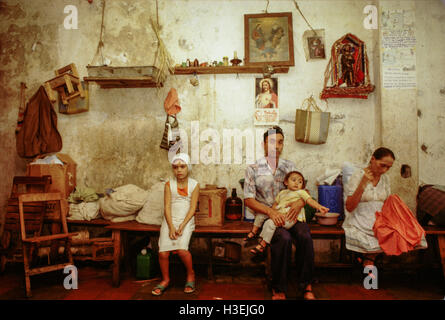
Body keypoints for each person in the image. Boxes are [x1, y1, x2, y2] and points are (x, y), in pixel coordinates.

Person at [243, 126, 316, 300]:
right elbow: (248, 199)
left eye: (281, 142)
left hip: (292, 215)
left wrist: (299, 202)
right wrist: (270, 211)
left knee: (305, 235)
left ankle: (306, 284)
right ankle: (279, 287)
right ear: (264, 144)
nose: (277, 146)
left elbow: (301, 190)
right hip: (269, 217)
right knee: (283, 238)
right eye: (273, 142)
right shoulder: (253, 168)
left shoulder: (289, 166)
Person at [342, 147, 427, 267]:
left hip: (381, 218)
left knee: (407, 232)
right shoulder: (357, 176)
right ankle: (368, 262)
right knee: (377, 237)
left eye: (388, 167)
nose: (385, 170)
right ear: (372, 159)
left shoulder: (385, 179)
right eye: (382, 165)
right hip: (361, 217)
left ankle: (368, 260)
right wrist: (363, 182)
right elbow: (350, 207)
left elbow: (387, 203)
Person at [152, 153, 200, 296]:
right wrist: (171, 227)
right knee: (163, 253)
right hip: (169, 220)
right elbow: (166, 207)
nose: (179, 170)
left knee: (182, 250)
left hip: (186, 220)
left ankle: (191, 275)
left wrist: (182, 226)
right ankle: (166, 280)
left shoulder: (194, 185)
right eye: (175, 167)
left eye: (182, 166)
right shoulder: (168, 184)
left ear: (188, 168)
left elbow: (192, 209)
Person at [249, 171, 329, 256]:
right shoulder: (282, 193)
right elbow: (275, 205)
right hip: (280, 214)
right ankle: (254, 232)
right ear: (286, 182)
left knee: (271, 223)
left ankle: (263, 244)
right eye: (294, 180)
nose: (296, 183)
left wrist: (319, 207)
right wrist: (272, 213)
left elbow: (310, 200)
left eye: (300, 181)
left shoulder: (301, 192)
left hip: (290, 218)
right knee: (261, 215)